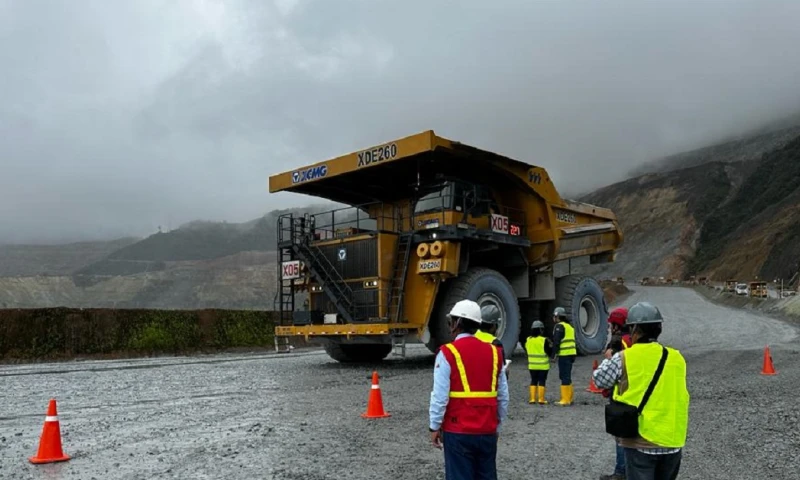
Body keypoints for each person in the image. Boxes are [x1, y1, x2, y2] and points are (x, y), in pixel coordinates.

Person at [593, 302, 690, 480]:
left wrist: (609, 357)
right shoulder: (676, 357)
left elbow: (599, 380)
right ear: (659, 328)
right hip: (673, 440)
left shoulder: (625, 357)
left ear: (634, 329)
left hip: (641, 440)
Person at [429, 299, 510, 479]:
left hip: (458, 431)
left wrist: (434, 426)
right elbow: (503, 396)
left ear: (457, 323)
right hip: (487, 430)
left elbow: (439, 396)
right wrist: (497, 425)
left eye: (451, 322)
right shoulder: (495, 353)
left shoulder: (448, 352)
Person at [599, 307, 630, 480]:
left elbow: (610, 373)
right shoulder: (632, 340)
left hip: (620, 395)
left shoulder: (620, 343)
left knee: (620, 436)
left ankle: (621, 472)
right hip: (632, 394)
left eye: (612, 324)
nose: (611, 327)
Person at [551, 306, 576, 406]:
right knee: (567, 376)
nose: (553, 318)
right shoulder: (569, 327)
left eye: (554, 316)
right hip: (571, 354)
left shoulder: (559, 326)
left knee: (564, 376)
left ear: (557, 316)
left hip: (564, 354)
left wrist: (553, 355)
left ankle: (565, 399)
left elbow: (557, 341)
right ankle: (569, 398)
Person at [524, 320, 553, 404]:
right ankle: (541, 399)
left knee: (533, 380)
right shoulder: (544, 340)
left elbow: (527, 350)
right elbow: (549, 352)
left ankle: (532, 399)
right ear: (541, 330)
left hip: (532, 366)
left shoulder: (528, 340)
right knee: (542, 381)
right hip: (543, 366)